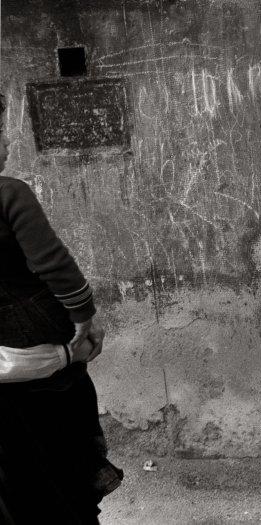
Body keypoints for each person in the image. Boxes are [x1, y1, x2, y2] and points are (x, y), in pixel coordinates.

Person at [0, 94, 121, 524]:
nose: (7, 146)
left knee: (19, 476)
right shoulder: (8, 193)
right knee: (65, 459)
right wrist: (84, 317)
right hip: (43, 352)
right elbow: (54, 264)